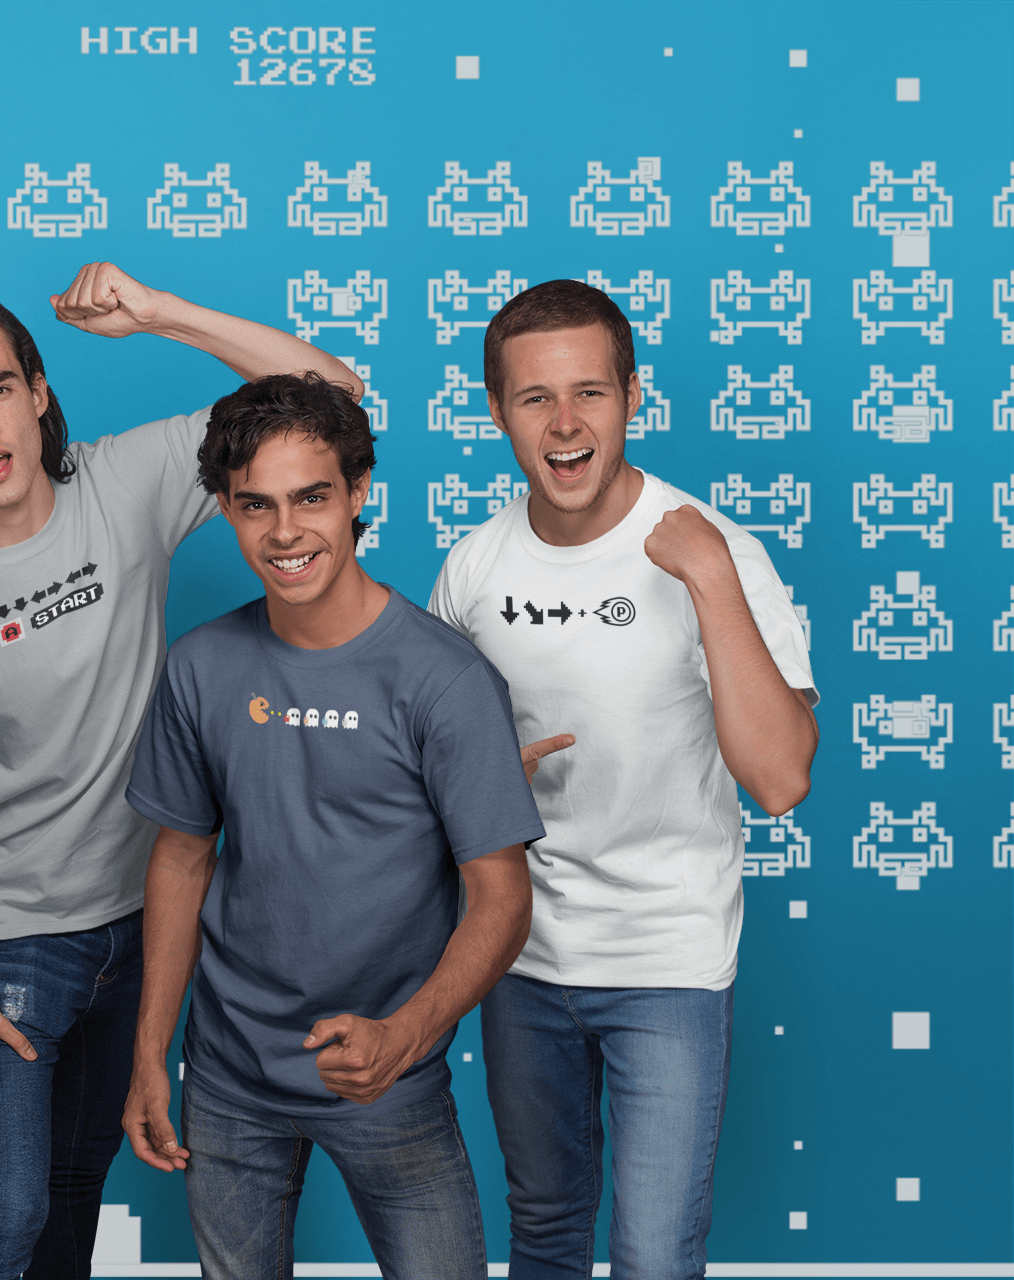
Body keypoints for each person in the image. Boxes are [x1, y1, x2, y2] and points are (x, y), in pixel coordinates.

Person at [0, 263, 364, 1279]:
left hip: (141, 923)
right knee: (4, 1213)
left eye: (0, 386)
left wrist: (160, 314)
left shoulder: (126, 482)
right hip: (9, 938)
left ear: (41, 392)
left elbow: (329, 391)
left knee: (65, 1212)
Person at [428, 279, 818, 1280]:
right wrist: (477, 784)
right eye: (535, 398)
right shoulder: (471, 570)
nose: (565, 423)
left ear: (632, 395)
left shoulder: (717, 550)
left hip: (668, 957)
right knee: (547, 1237)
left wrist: (712, 577)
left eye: (590, 393)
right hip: (519, 955)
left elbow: (778, 779)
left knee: (652, 1254)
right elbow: (425, 783)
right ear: (496, 410)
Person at [119, 372, 545, 1280]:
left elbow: (502, 899)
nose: (284, 533)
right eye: (254, 506)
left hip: (388, 1077)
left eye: (312, 497)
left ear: (357, 494)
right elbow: (182, 860)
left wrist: (407, 1034)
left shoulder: (447, 680)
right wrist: (150, 1052)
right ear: (226, 512)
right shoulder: (200, 668)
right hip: (228, 1077)